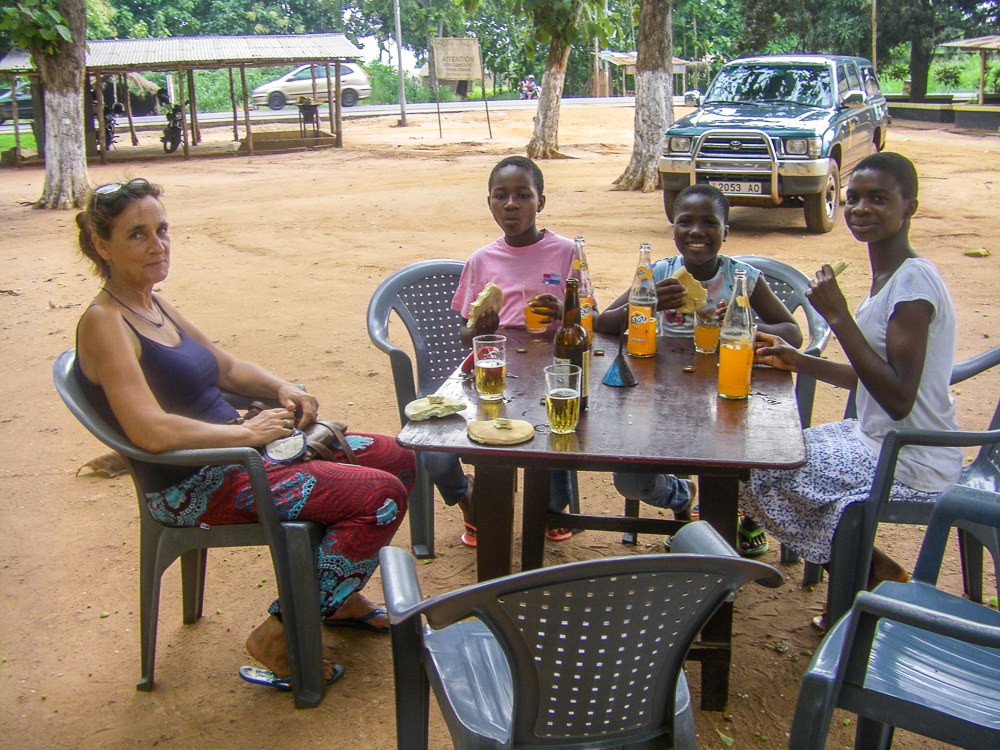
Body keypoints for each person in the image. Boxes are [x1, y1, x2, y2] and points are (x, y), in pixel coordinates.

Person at [72, 178, 415, 689]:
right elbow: (149, 432)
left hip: (242, 453)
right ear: (101, 246)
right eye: (137, 235)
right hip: (193, 483)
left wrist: (282, 388)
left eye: (162, 230)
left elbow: (226, 369)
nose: (157, 244)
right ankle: (277, 632)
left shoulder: (153, 304)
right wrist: (248, 434)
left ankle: (334, 598)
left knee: (397, 456)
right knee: (380, 496)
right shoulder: (104, 323)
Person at [741, 152, 961, 625]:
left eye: (879, 199)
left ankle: (864, 583)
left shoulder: (914, 283)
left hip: (911, 454)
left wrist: (838, 318)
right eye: (853, 198)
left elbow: (899, 399)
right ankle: (876, 573)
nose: (861, 208)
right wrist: (799, 360)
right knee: (756, 459)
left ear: (910, 207)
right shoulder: (888, 277)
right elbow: (871, 376)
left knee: (766, 472)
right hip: (872, 436)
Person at [594, 184, 802, 550]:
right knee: (630, 479)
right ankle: (681, 496)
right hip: (662, 396)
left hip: (729, 393)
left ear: (726, 231)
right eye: (685, 221)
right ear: (672, 228)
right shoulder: (659, 272)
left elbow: (792, 333)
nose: (696, 231)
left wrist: (742, 322)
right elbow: (604, 322)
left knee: (746, 462)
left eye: (709, 222)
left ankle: (746, 519)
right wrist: (648, 302)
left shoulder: (742, 278)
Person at [423, 155, 594, 546]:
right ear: (489, 204)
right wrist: (480, 329)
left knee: (558, 423)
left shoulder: (567, 251)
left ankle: (553, 505)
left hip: (550, 367)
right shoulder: (482, 260)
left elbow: (590, 317)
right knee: (433, 444)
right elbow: (466, 334)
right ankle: (471, 498)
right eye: (500, 196)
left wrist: (565, 314)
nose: (511, 204)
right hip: (492, 370)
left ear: (541, 202)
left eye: (522, 195)